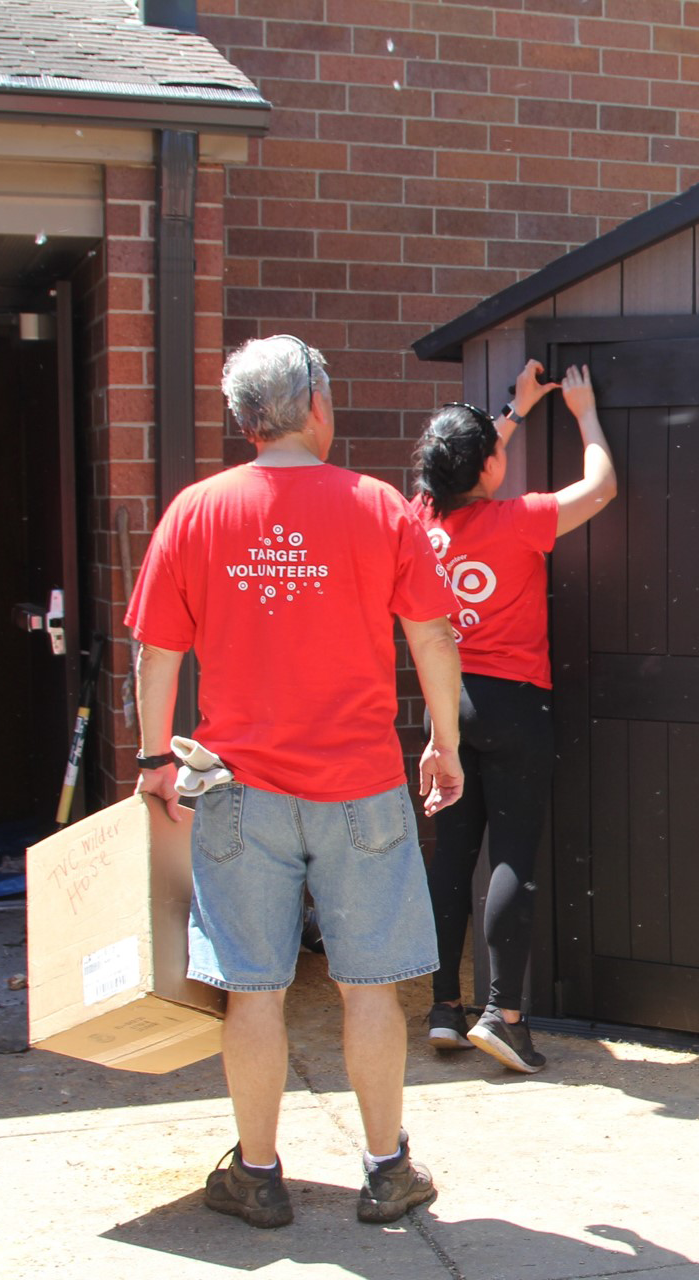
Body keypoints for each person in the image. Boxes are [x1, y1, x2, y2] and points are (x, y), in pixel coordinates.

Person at [126, 335, 465, 1230]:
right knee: (372, 986)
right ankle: (387, 1168)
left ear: (245, 420)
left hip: (237, 791)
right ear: (317, 402)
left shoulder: (195, 512)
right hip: (358, 784)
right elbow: (433, 635)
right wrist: (442, 742)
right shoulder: (378, 506)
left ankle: (260, 1172)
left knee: (254, 987)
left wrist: (156, 758)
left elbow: (156, 648)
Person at [412, 360, 617, 1073]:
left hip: (449, 705)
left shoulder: (420, 520)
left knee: (452, 855)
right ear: (489, 467)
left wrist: (513, 410)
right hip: (514, 702)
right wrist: (583, 412)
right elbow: (601, 487)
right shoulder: (518, 518)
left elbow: (456, 463)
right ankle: (504, 1013)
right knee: (511, 859)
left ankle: (443, 1008)